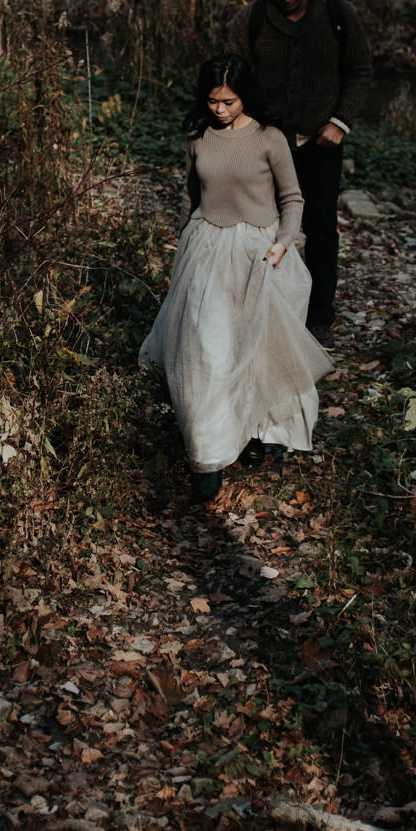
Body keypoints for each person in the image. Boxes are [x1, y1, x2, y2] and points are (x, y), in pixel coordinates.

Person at [140, 54, 335, 503]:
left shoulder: (270, 139)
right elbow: (195, 195)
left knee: (259, 346)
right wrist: (187, 239)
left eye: (228, 101)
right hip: (208, 247)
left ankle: (260, 429)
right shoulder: (197, 136)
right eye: (212, 101)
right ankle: (209, 452)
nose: (219, 109)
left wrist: (284, 243)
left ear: (245, 96)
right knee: (208, 347)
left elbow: (293, 198)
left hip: (261, 250)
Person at [226, 0, 374, 344]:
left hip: (322, 142)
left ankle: (319, 317)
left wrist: (340, 122)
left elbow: (360, 70)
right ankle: (264, 309)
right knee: (261, 226)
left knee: (321, 227)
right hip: (266, 144)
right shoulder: (250, 19)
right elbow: (230, 77)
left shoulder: (339, 15)